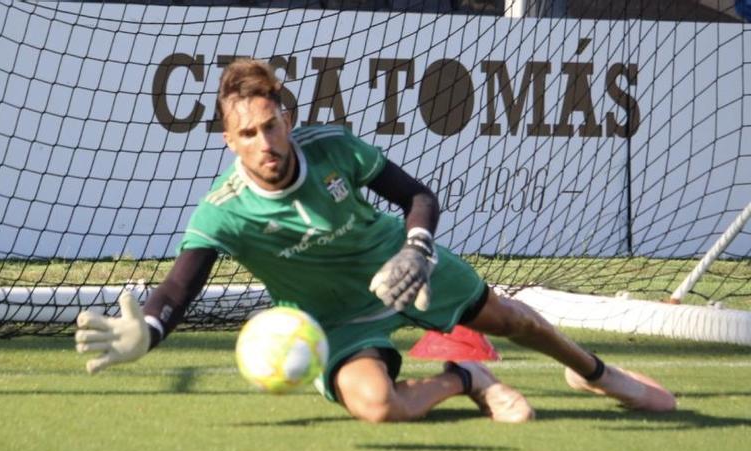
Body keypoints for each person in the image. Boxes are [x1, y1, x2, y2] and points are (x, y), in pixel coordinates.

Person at [74, 58, 676, 423]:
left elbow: (419, 196)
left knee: (514, 319)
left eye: (271, 124)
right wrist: (147, 332)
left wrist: (416, 249)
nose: (264, 141)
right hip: (333, 321)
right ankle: (468, 380)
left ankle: (595, 373)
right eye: (248, 133)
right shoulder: (223, 214)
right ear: (232, 142)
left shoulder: (332, 146)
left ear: (286, 118)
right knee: (378, 408)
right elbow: (180, 286)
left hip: (402, 268)